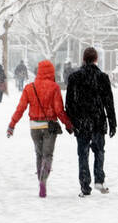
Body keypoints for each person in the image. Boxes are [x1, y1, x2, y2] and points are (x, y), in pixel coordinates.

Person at [7, 59, 74, 198]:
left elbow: (21, 108)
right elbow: (59, 110)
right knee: (47, 155)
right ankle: (44, 180)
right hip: (49, 127)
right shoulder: (54, 87)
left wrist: (12, 125)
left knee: (39, 155)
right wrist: (68, 125)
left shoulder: (29, 88)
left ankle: (40, 181)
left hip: (35, 127)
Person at [65, 46, 117, 198]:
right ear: (96, 59)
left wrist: (71, 121)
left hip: (81, 123)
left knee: (83, 154)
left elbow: (69, 103)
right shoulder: (102, 77)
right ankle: (99, 180)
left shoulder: (74, 78)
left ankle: (85, 186)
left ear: (83, 59)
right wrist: (112, 122)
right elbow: (109, 103)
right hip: (98, 121)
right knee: (99, 151)